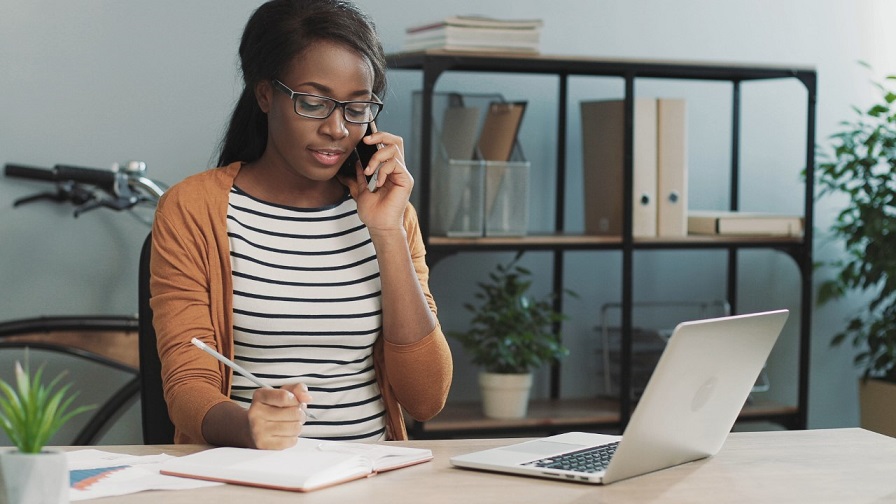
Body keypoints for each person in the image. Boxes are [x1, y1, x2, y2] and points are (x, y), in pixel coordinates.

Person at [149, 0, 453, 449]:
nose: (336, 128)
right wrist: (249, 428)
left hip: (370, 476)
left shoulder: (391, 213)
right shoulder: (193, 209)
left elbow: (426, 399)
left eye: (356, 108)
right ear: (266, 94)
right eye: (314, 103)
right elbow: (186, 384)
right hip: (246, 477)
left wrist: (386, 233)